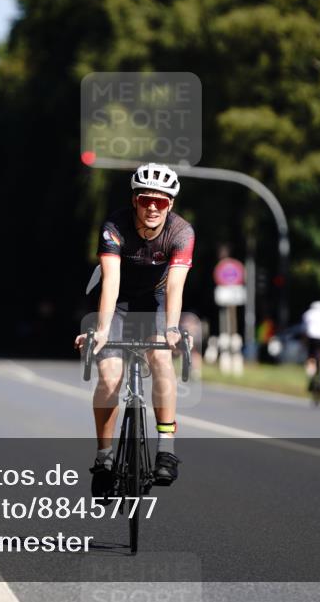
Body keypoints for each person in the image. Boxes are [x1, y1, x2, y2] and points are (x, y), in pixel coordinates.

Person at [74, 163, 194, 496]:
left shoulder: (182, 233)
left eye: (161, 201)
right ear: (134, 201)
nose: (152, 207)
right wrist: (100, 329)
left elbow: (174, 287)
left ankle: (166, 450)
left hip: (154, 304)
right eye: (145, 200)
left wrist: (171, 328)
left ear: (171, 204)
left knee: (160, 360)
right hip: (119, 304)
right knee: (110, 377)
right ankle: (105, 457)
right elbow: (110, 281)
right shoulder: (115, 226)